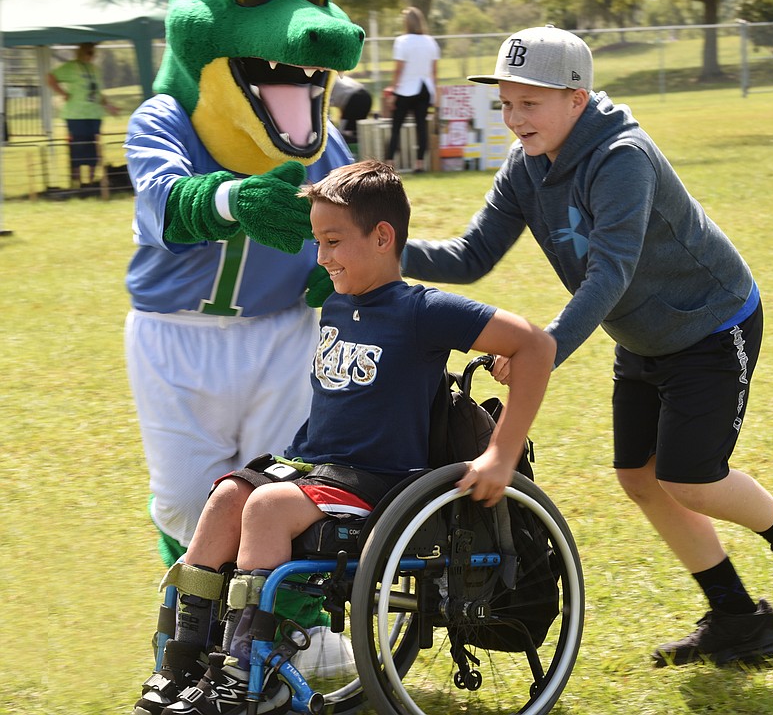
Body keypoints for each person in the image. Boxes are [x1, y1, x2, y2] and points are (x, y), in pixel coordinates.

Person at [401, 25, 773, 667]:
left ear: (577, 98)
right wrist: (381, 250)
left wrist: (542, 348)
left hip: (710, 324)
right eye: (505, 103)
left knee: (690, 478)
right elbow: (471, 256)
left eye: (530, 102)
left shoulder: (622, 158)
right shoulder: (524, 170)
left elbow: (608, 272)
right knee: (639, 478)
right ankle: (739, 620)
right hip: (641, 334)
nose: (513, 118)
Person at [133, 159, 556, 715]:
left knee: (265, 507)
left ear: (383, 237)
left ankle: (245, 675)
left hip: (377, 480)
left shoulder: (421, 310)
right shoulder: (337, 303)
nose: (322, 256)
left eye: (333, 242)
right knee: (224, 498)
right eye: (317, 242)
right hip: (318, 467)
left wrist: (502, 453)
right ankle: (180, 664)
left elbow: (536, 346)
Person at [46, 42, 119, 189]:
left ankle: (91, 182)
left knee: (94, 148)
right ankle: (78, 183)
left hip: (94, 115)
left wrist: (108, 106)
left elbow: (97, 93)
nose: (91, 56)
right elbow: (50, 78)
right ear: (81, 52)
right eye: (88, 52)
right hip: (75, 115)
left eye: (93, 53)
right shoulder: (71, 67)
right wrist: (63, 94)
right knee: (78, 148)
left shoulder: (95, 70)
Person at [383, 6, 440, 173]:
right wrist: (435, 93)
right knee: (421, 127)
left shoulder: (402, 41)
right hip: (424, 89)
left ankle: (390, 163)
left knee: (396, 127)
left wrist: (393, 90)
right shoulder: (431, 41)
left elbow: (398, 69)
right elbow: (434, 71)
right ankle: (419, 164)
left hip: (405, 89)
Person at [329, 73, 373, 145]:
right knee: (358, 131)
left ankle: (348, 152)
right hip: (366, 96)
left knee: (344, 134)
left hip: (354, 99)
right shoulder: (335, 78)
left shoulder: (325, 84)